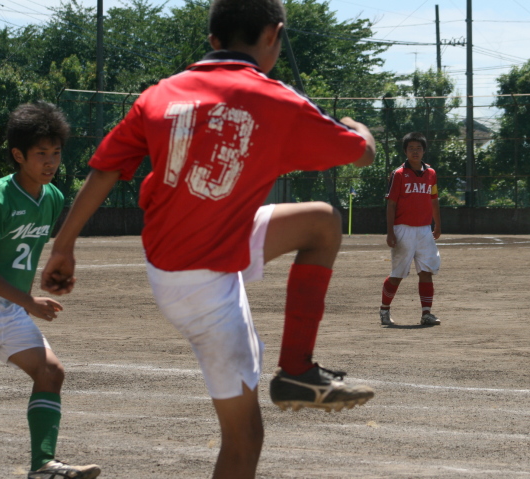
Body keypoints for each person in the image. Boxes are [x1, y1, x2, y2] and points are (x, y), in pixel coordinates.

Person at [39, 0, 376, 476]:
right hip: (202, 287)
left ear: (214, 41)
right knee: (244, 440)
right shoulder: (277, 99)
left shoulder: (160, 94)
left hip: (179, 257)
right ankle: (296, 375)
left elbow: (105, 169)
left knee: (321, 222)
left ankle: (298, 370)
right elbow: (361, 154)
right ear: (273, 35)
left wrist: (64, 246)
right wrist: (360, 129)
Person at [0, 102, 101, 479]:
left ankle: (42, 464)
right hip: (11, 303)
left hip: (7, 309)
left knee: (50, 372)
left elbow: (24, 256)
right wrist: (28, 301)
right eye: (41, 153)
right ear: (18, 155)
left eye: (56, 153)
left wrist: (44, 283)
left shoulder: (52, 198)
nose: (51, 161)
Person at [379, 132, 442, 326]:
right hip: (403, 229)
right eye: (411, 148)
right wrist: (390, 232)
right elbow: (391, 204)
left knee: (426, 271)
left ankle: (426, 313)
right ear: (405, 151)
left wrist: (437, 224)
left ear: (424, 151)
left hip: (424, 230)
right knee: (398, 274)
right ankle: (384, 310)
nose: (415, 152)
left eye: (419, 148)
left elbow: (434, 200)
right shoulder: (399, 174)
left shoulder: (431, 173)